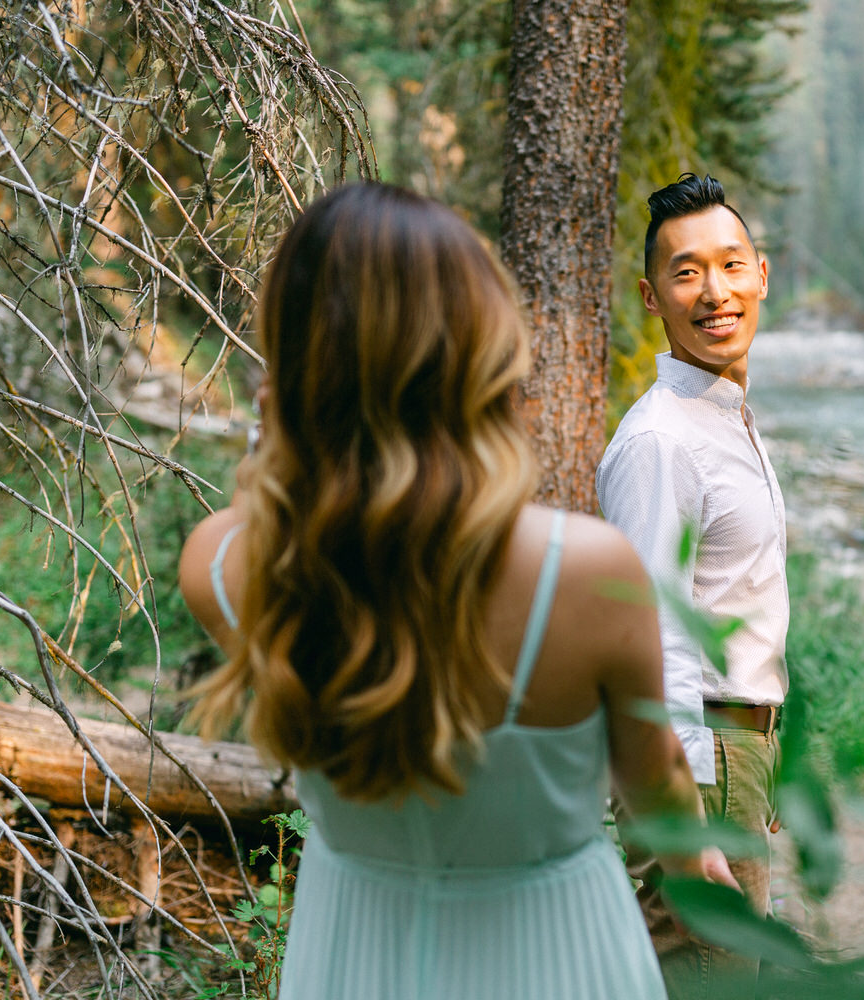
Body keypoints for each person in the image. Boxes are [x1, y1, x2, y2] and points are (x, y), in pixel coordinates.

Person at [178, 182, 733, 1000]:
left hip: (350, 958)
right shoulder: (586, 573)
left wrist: (285, 437)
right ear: (479, 351)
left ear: (292, 357)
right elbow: (653, 784)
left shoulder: (224, 565)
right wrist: (699, 866)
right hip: (556, 955)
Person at [596, 172, 789, 998]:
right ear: (652, 295)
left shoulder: (723, 412)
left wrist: (763, 760)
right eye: (686, 272)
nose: (716, 292)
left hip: (734, 756)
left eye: (731, 265)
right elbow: (648, 639)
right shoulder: (662, 442)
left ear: (761, 274)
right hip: (695, 762)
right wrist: (684, 817)